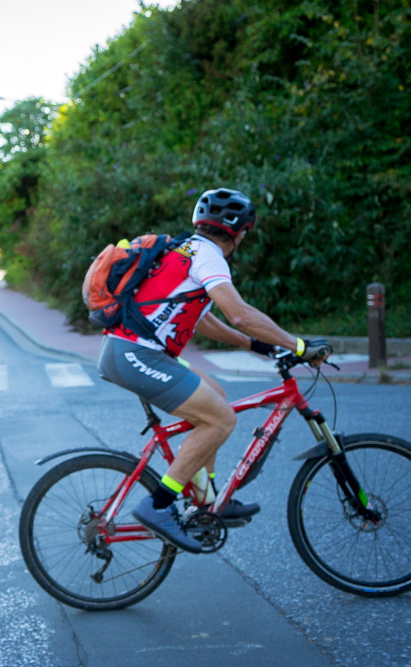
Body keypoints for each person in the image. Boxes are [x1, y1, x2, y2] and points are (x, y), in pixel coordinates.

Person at [96, 188, 331, 553]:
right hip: (136, 354)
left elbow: (205, 321)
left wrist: (258, 346)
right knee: (220, 420)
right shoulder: (209, 257)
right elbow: (239, 313)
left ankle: (206, 501)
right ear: (240, 233)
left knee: (216, 395)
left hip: (131, 351)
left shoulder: (185, 249)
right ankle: (157, 506)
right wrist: (297, 345)